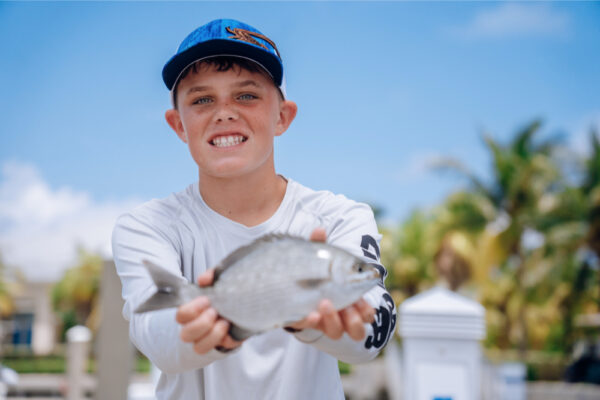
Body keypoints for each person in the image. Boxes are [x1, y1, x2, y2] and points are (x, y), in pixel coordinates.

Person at [112, 18, 396, 399]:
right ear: (178, 125)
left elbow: (374, 327)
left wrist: (318, 321)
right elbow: (156, 337)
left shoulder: (341, 217)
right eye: (202, 99)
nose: (225, 112)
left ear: (282, 116)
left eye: (246, 95)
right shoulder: (146, 226)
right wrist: (231, 316)